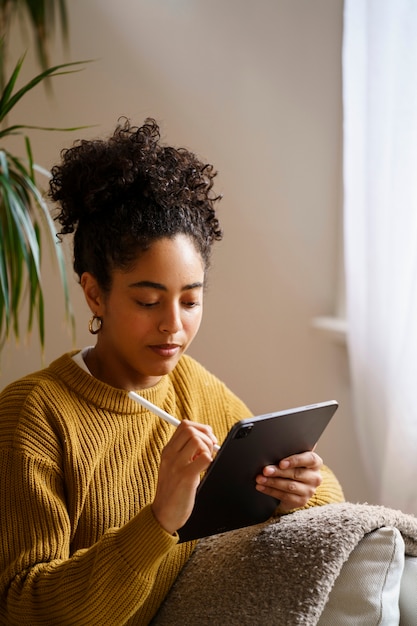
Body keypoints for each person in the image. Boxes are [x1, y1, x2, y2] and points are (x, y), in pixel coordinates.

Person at [0, 118, 344, 625]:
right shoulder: (34, 415)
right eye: (147, 300)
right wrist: (159, 518)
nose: (173, 327)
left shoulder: (192, 385)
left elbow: (332, 504)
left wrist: (298, 490)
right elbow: (24, 607)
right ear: (96, 293)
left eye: (190, 300)